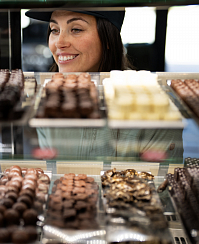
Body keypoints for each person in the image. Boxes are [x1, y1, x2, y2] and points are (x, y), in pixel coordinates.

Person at [25, 9, 183, 162]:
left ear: (108, 38)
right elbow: (53, 173)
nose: (59, 43)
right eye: (54, 30)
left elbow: (161, 182)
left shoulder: (155, 104)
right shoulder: (47, 98)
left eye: (76, 29)